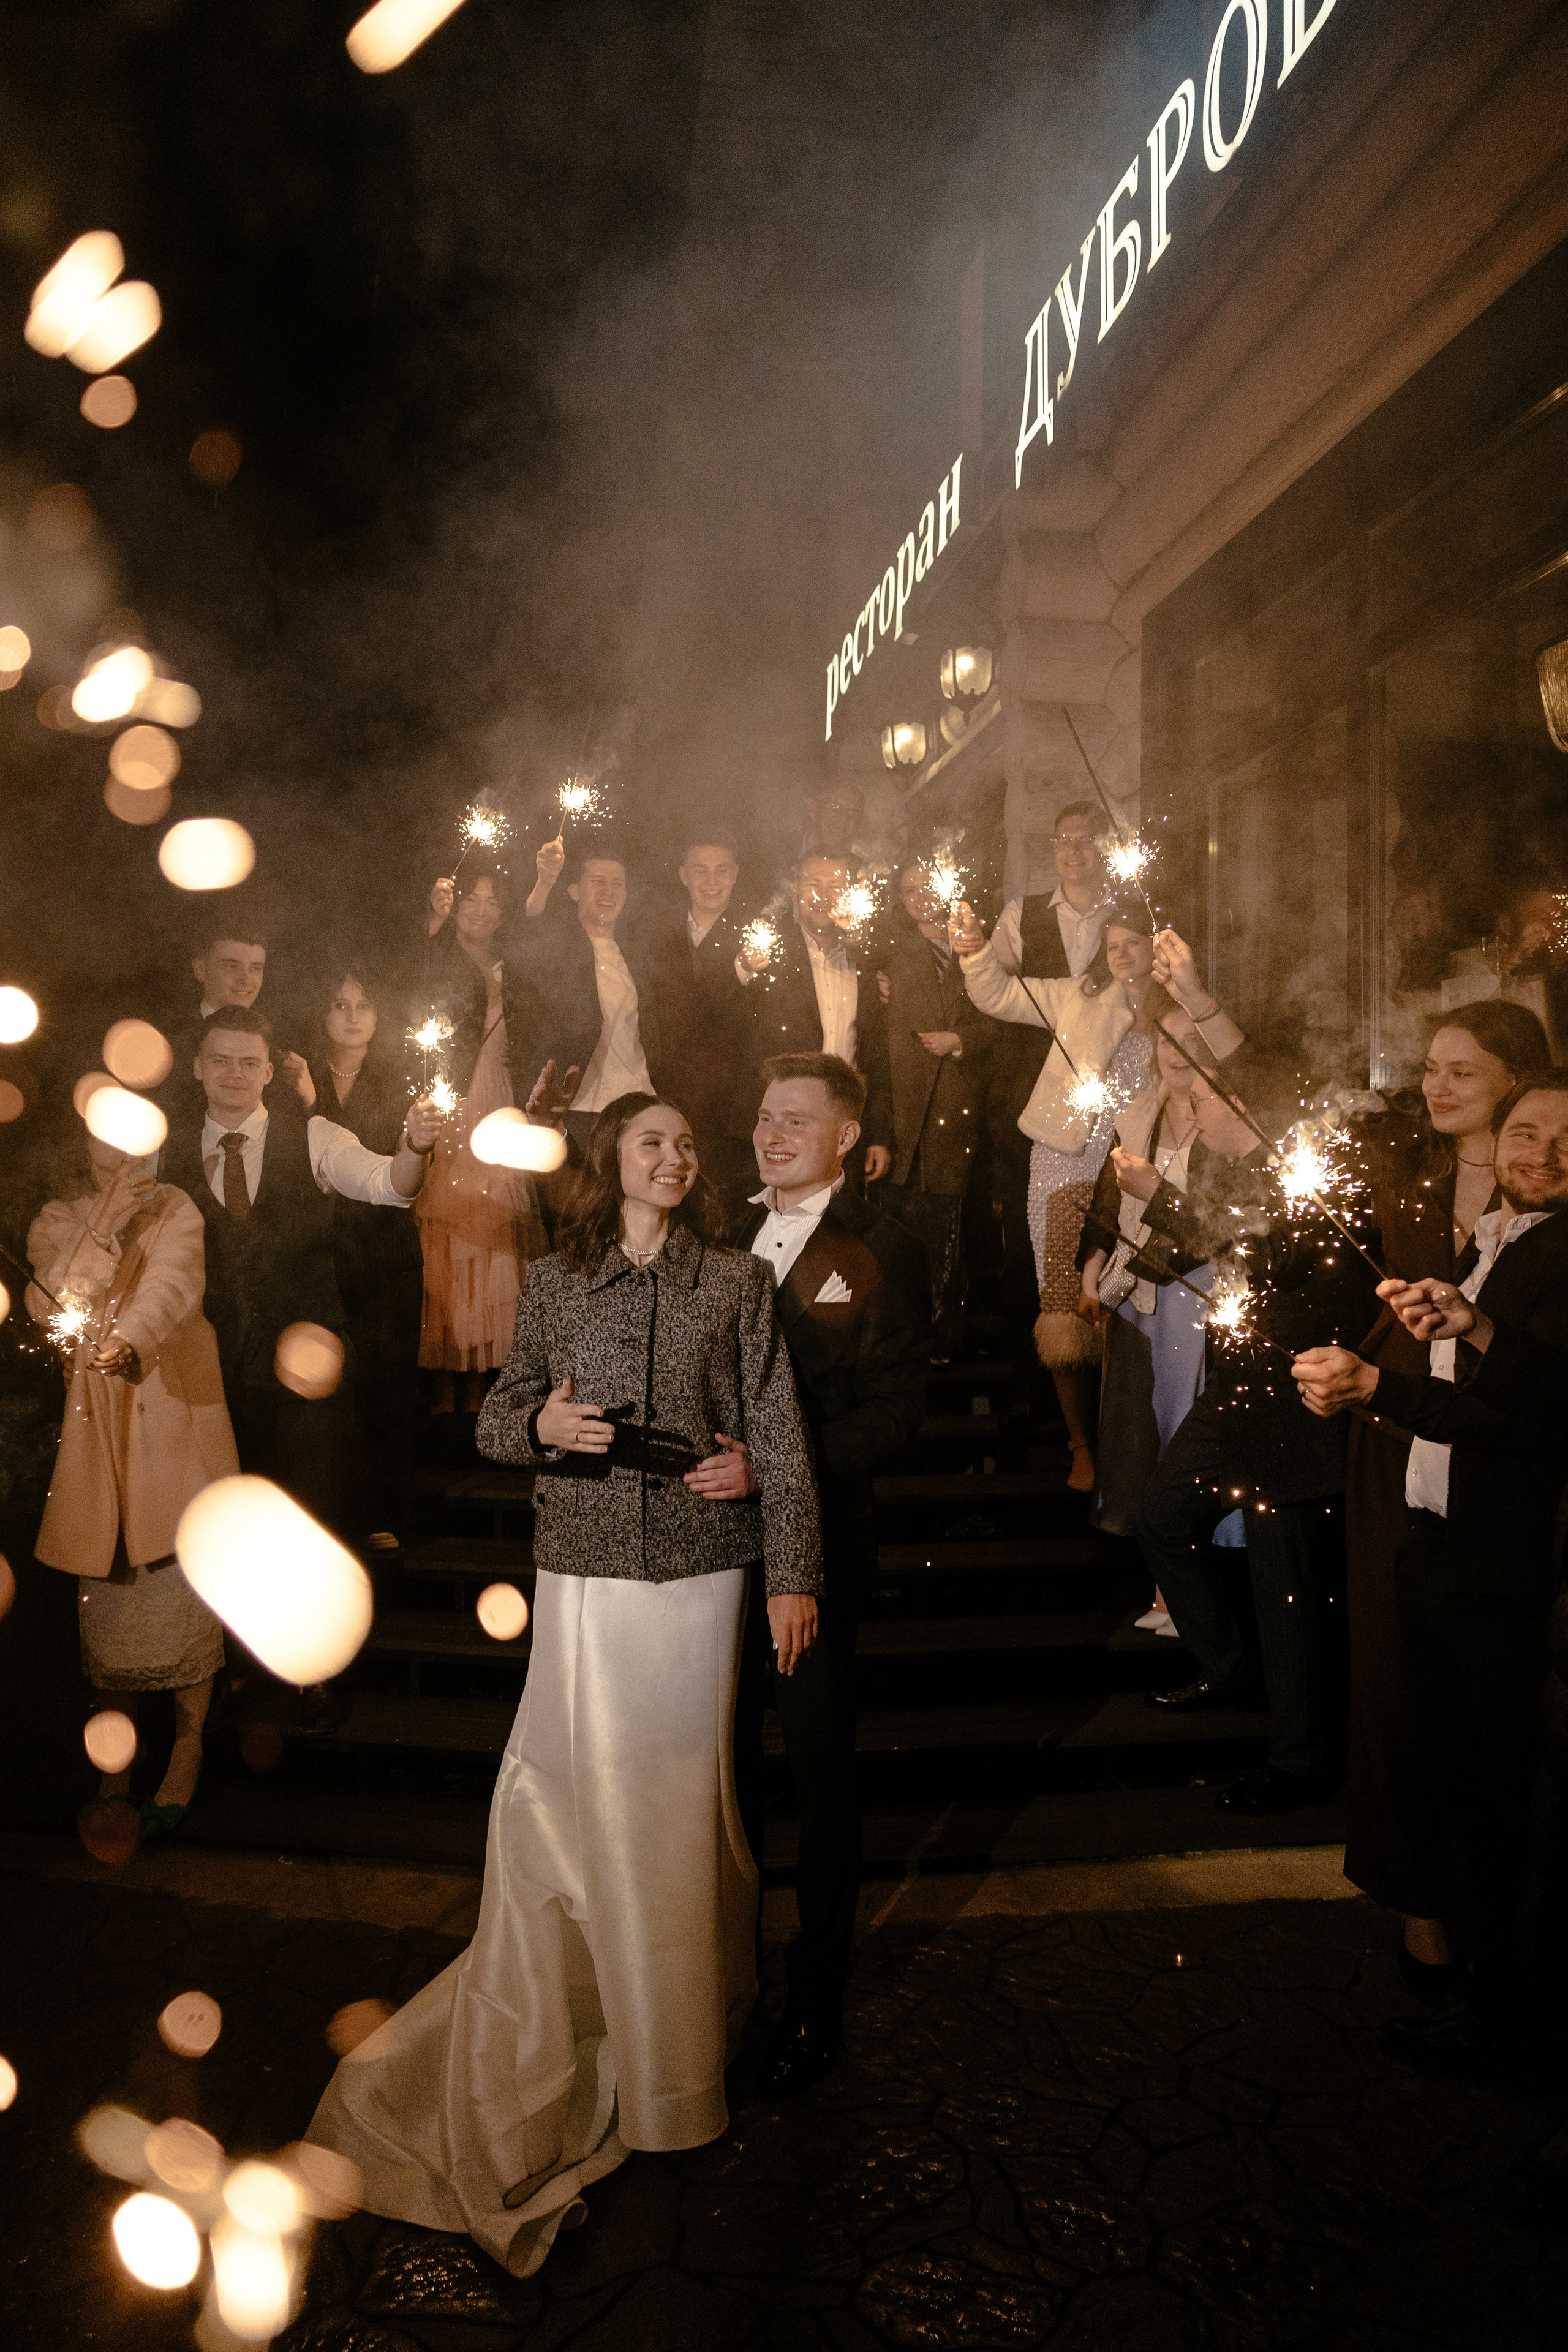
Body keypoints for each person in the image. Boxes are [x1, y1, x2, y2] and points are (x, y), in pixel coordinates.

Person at [306, 1091, 821, 2274]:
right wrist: (541, 1423)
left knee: (676, 1815)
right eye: (657, 1142)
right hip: (583, 1580)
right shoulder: (553, 1282)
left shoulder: (735, 1283)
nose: (679, 1157)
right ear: (615, 1160)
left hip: (701, 1582)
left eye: (691, 1143)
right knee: (584, 1811)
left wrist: (790, 1565)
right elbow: (492, 1423)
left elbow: (777, 1435)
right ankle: (600, 2031)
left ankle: (675, 2071)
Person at [1294, 1072, 1568, 2074]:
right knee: (1466, 1801)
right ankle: (1493, 2010)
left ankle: (1518, 2032)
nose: (1543, 1151)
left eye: (1565, 1137)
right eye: (1527, 1131)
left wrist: (1438, 1359)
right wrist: (1375, 1385)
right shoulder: (1498, 1240)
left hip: (1513, 1572)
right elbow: (1476, 1404)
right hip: (1448, 1554)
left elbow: (1539, 1415)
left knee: (1510, 1819)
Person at [1339, 1000, 1550, 1997]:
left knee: (1489, 1739)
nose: (1440, 1085)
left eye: (1467, 1070)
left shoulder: (1548, 1225)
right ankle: (1428, 1922)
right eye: (1431, 1067)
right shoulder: (1426, 1190)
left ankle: (1487, 1948)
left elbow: (1536, 1390)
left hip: (1499, 1506)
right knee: (1402, 1701)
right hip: (1406, 1472)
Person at [732, 1053, 930, 2093]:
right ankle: (717, 1978)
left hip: (818, 1547)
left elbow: (897, 1414)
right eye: (766, 1118)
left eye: (797, 1121)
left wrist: (778, 1464)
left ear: (846, 1136)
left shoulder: (883, 1248)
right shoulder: (714, 1233)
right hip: (706, 1551)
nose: (773, 1136)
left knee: (818, 1772)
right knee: (718, 1765)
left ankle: (816, 1990)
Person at [1129, 1055, 1379, 1813]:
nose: (1193, 1112)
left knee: (1290, 1596)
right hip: (1233, 1394)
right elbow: (1201, 1255)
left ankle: (1302, 1762)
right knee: (1163, 1517)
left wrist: (1162, 1198)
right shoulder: (1227, 1171)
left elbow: (1271, 1259)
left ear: (1247, 1106)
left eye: (1203, 1099)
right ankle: (1230, 1663)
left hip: (1293, 1408)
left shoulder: (1311, 1176)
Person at [159, 1007, 443, 1552]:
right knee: (225, 1541)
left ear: (270, 1072)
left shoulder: (315, 1135)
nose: (234, 1073)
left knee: (308, 1535)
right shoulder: (164, 1151)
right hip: (208, 1377)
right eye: (219, 1060)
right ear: (196, 1067)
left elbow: (390, 1185)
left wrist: (415, 1147)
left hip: (308, 1375)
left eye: (249, 1062)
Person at [27, 1127, 238, 1834]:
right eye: (105, 1141)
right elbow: (53, 1305)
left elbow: (173, 1287)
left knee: (180, 1587)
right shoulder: (58, 1220)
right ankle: (115, 1763)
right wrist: (104, 1223)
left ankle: (186, 1749)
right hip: (100, 1436)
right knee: (111, 1599)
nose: (122, 1156)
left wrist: (130, 1342)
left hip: (174, 1412)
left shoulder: (178, 1207)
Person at [952, 894, 1170, 1492]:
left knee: (1127, 1304)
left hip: (1140, 1170)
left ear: (1156, 946)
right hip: (1065, 1162)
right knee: (1063, 1306)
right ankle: (1080, 1445)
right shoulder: (1080, 994)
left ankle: (1130, 1448)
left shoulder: (1174, 1012)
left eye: (1134, 943)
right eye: (1114, 944)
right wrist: (973, 952)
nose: (1123, 954)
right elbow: (998, 994)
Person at [1074, 929, 1246, 1547]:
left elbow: (1220, 1225)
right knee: (1131, 1432)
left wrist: (1157, 1195)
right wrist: (1091, 1267)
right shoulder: (1136, 1111)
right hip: (1132, 1284)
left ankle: (1194, 1559)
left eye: (1194, 1039)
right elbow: (1106, 1195)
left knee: (1180, 1425)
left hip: (1193, 1288)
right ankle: (1157, 1571)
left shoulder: (1230, 1122)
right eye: (1168, 1038)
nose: (1180, 1051)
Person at [284, 967, 431, 1530]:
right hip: (317, 1251)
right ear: (321, 1013)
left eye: (363, 1005)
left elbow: (403, 1169)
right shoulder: (296, 1075)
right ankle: (330, 1516)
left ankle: (387, 1517)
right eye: (339, 1003)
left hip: (386, 1251)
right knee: (326, 1389)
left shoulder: (401, 1080)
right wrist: (305, 1099)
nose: (351, 1015)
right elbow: (303, 1158)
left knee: (388, 1389)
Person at [978, 802, 1117, 1322]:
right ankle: (1033, 1365)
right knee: (1029, 1222)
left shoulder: (1128, 916)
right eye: (1063, 840)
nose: (1073, 850)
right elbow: (993, 992)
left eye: (1085, 839)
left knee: (1097, 1215)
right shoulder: (1021, 912)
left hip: (1107, 1089)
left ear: (1105, 847)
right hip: (1028, 1086)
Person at [418, 869, 549, 1415]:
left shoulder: (512, 967)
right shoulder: (435, 956)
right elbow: (413, 980)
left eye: (492, 902)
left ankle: (491, 1388)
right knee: (452, 1234)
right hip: (451, 1099)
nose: (480, 909)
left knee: (495, 1233)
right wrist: (434, 922)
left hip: (500, 1100)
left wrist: (544, 880)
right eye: (470, 898)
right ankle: (447, 1385)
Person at [873, 860, 990, 1357]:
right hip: (910, 1114)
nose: (921, 897)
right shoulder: (892, 956)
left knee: (959, 1228)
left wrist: (963, 1039)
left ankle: (949, 1339)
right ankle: (913, 1337)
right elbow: (878, 1041)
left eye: (929, 887)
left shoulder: (979, 945)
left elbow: (1005, 1017)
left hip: (967, 1111)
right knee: (910, 1226)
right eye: (910, 891)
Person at [733, 852, 892, 1172]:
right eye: (813, 884)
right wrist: (744, 968)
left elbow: (874, 1052)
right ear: (795, 889)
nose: (823, 895)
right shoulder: (768, 951)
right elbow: (722, 1015)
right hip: (778, 1126)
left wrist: (878, 1134)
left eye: (836, 885)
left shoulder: (865, 961)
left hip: (843, 1125)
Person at [511, 840, 664, 1157]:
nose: (608, 891)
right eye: (598, 881)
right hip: (578, 1110)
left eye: (617, 883)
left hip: (636, 1104)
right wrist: (544, 883)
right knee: (577, 1206)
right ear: (575, 890)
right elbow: (529, 929)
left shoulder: (636, 955)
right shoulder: (557, 947)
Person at [645, 827, 752, 1191]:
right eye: (700, 870)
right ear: (683, 875)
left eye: (722, 870)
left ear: (736, 874)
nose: (711, 880)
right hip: (667, 1089)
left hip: (732, 1100)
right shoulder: (656, 933)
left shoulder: (756, 936)